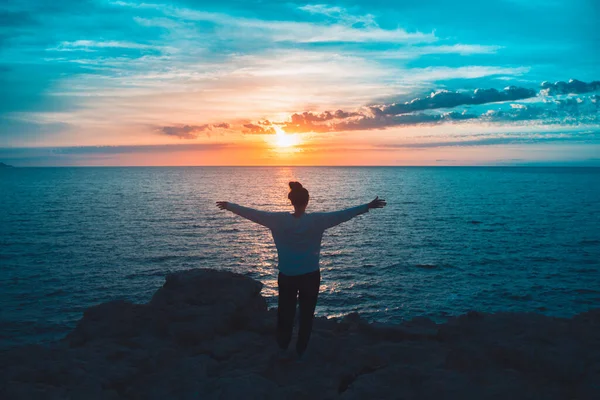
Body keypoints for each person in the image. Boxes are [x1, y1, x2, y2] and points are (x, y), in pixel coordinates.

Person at [216, 182, 386, 362]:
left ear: (291, 201)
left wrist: (230, 206)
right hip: (310, 276)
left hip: (287, 275)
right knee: (306, 315)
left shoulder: (277, 220)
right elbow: (342, 215)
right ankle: (301, 351)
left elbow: (253, 213)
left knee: (285, 313)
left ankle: (282, 347)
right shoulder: (317, 220)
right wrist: (367, 206)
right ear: (307, 202)